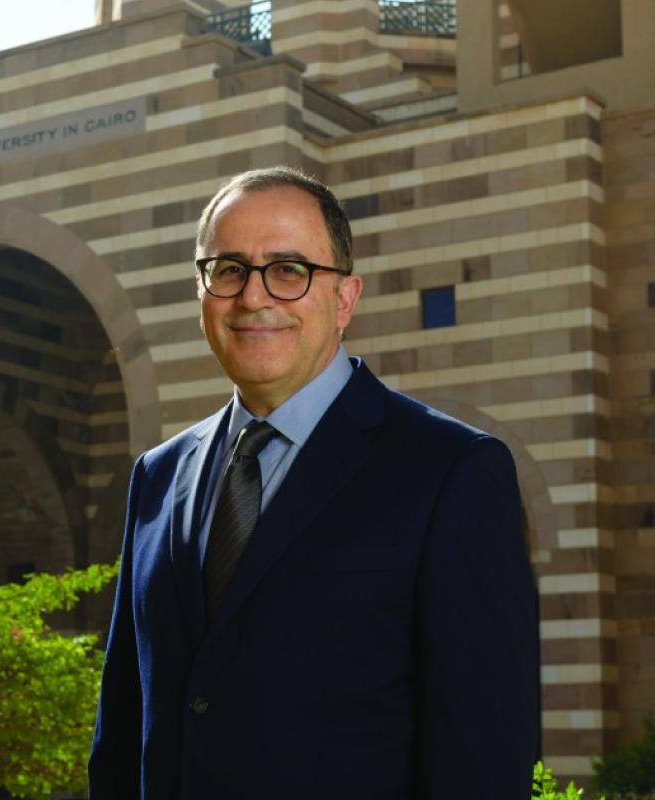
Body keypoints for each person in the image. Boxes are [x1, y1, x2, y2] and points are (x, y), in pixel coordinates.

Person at [88, 167, 539, 799]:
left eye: (288, 270)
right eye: (229, 269)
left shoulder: (451, 472)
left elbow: (482, 758)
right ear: (202, 291)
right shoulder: (156, 478)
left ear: (345, 299)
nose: (253, 297)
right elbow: (122, 734)